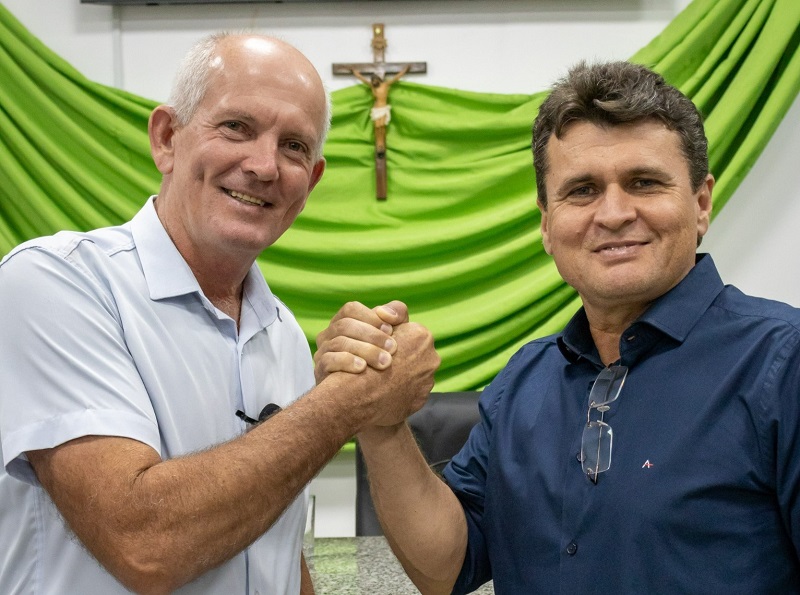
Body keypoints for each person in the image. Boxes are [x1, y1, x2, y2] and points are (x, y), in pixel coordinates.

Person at [315, 60, 800, 593]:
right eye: (582, 190)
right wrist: (380, 422)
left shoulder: (784, 365)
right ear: (547, 224)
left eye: (643, 183)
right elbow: (445, 568)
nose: (613, 213)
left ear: (701, 203)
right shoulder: (525, 378)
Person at [0, 32, 438, 594]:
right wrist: (349, 400)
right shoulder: (56, 283)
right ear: (166, 139)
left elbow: (274, 550)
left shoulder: (280, 332)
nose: (264, 166)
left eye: (294, 146)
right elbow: (144, 545)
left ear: (310, 183)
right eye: (236, 127)